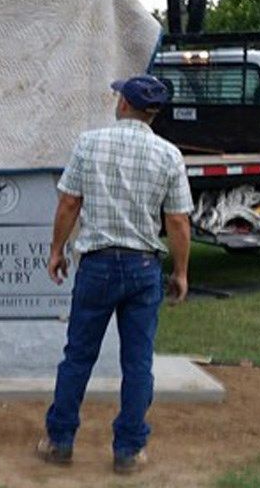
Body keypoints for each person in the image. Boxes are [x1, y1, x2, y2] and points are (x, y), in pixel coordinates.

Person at [36, 75, 193, 475]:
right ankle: (129, 450)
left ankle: (59, 441)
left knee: (78, 356)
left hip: (98, 264)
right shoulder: (169, 155)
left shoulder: (90, 143)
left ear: (124, 104)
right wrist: (181, 271)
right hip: (143, 267)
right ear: (151, 111)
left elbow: (70, 202)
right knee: (138, 363)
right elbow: (177, 221)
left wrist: (57, 249)